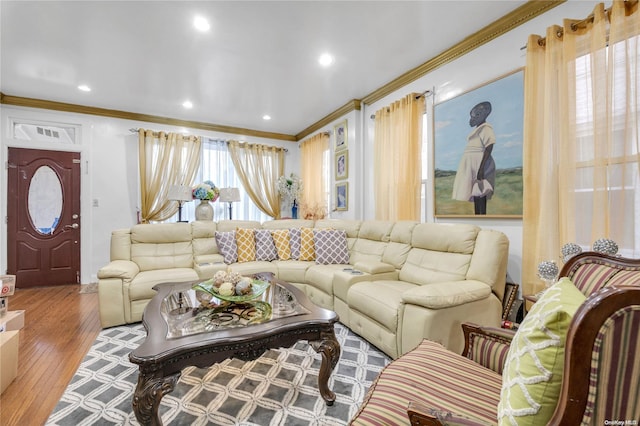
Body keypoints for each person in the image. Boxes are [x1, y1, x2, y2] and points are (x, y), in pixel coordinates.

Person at [451, 101, 496, 215]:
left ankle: (482, 215)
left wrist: (481, 168)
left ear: (484, 115)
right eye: (471, 116)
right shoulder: (478, 130)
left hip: (478, 163)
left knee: (480, 191)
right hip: (471, 164)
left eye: (476, 116)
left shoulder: (485, 129)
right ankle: (478, 215)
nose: (472, 119)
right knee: (475, 192)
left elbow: (489, 146)